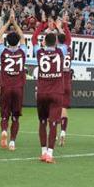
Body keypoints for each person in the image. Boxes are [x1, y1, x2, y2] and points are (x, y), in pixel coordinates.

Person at [33, 32, 67, 164]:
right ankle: (50, 154)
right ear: (56, 42)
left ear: (44, 42)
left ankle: (43, 152)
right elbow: (67, 40)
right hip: (56, 92)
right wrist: (59, 27)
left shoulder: (39, 52)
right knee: (53, 123)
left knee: (42, 121)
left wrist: (42, 26)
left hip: (42, 92)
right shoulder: (61, 51)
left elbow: (34, 39)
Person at [0, 10, 28, 151]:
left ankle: (4, 130)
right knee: (15, 116)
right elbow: (23, 37)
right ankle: (13, 142)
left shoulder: (3, 51)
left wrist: (8, 22)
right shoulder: (22, 51)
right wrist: (15, 23)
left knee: (4, 115)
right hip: (18, 87)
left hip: (5, 86)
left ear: (7, 42)